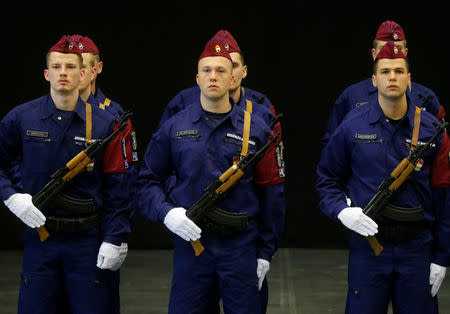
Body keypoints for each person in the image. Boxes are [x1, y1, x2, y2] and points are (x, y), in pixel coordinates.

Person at [137, 39, 286, 313]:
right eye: (206, 70)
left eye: (220, 70)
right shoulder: (174, 126)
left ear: (234, 78)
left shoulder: (258, 130)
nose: (213, 76)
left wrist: (265, 252)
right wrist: (166, 213)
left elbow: (272, 193)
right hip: (192, 246)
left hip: (241, 248)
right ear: (197, 78)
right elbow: (147, 181)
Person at [0, 35, 133, 314]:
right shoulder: (21, 118)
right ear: (47, 73)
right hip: (40, 239)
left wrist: (114, 237)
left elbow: (118, 188)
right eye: (57, 67)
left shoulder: (106, 124)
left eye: (71, 67)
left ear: (83, 73)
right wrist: (10, 197)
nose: (64, 73)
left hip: (87, 241)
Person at [316, 42, 450, 313]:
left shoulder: (431, 129)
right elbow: (326, 179)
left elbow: (444, 195)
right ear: (374, 80)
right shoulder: (352, 126)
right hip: (369, 249)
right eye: (386, 71)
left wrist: (442, 257)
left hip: (417, 250)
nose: (393, 77)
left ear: (409, 80)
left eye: (399, 71)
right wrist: (342, 211)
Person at [321, 20, 446, 148]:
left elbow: (442, 148)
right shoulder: (351, 96)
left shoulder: (426, 98)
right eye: (383, 49)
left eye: (397, 49)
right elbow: (332, 148)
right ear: (374, 54)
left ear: (406, 54)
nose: (390, 54)